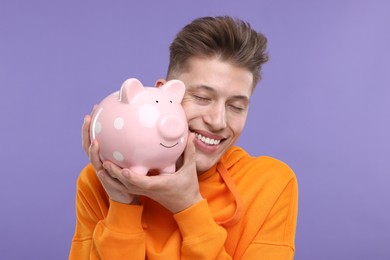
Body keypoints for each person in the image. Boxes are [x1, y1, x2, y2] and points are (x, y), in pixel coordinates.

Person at [69, 16, 298, 259]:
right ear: (164, 93)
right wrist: (123, 204)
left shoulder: (270, 184)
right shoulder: (104, 181)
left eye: (236, 106)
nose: (218, 121)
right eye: (202, 97)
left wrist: (188, 206)